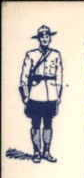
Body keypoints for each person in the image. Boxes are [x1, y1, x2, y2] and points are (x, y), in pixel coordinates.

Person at [20, 24, 63, 163]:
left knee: (49, 124)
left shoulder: (56, 55)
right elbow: (24, 78)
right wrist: (25, 96)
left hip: (51, 95)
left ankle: (47, 151)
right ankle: (37, 152)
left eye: (47, 36)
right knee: (36, 124)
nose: (45, 39)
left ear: (50, 38)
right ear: (39, 39)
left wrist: (58, 96)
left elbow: (59, 77)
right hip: (35, 95)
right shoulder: (31, 55)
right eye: (42, 37)